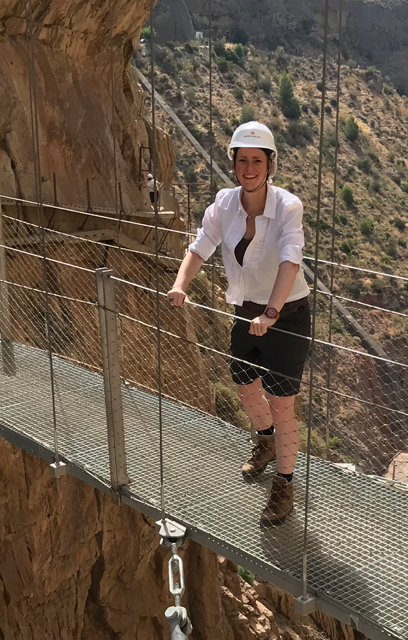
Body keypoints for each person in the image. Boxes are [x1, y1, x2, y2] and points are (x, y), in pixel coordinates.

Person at [167, 121, 310, 526]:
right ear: (234, 163)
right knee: (245, 388)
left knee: (282, 404)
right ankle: (265, 442)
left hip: (288, 314)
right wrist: (180, 284)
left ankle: (285, 484)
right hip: (246, 309)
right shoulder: (224, 204)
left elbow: (290, 259)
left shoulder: (287, 207)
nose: (249, 168)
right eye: (242, 160)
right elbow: (200, 247)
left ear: (270, 165)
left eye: (257, 161)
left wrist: (272, 312)